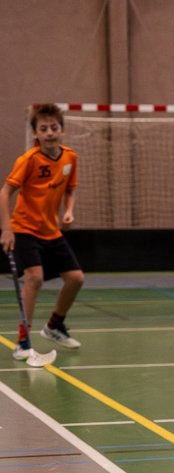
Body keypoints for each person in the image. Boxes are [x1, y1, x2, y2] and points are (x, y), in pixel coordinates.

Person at [1, 103, 84, 359]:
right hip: (25, 228)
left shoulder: (70, 157)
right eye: (44, 129)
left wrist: (68, 211)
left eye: (54, 128)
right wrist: (7, 228)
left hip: (51, 230)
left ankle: (54, 326)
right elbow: (5, 192)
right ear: (36, 133)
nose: (49, 133)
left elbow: (70, 189)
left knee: (76, 279)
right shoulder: (28, 160)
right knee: (34, 278)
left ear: (62, 130)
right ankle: (22, 342)